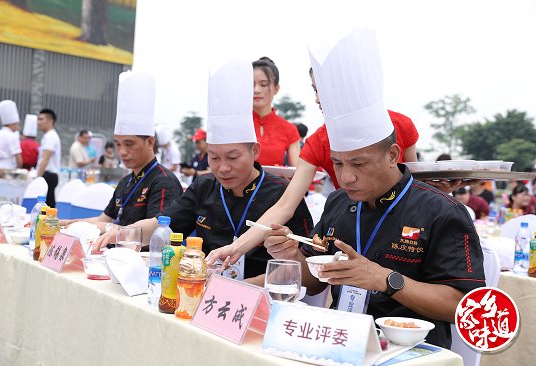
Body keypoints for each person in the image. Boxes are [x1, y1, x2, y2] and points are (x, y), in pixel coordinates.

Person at [263, 28, 485, 349]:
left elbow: (464, 307)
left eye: (359, 164)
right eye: (338, 164)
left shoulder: (442, 212)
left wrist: (384, 279)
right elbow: (313, 281)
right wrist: (291, 256)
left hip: (411, 351)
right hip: (339, 344)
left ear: (393, 155)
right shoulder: (338, 202)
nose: (346, 177)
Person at [94, 61, 313, 285]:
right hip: (203, 292)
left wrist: (229, 287)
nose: (223, 168)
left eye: (233, 157)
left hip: (258, 297)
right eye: (214, 157)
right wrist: (124, 233)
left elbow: (309, 278)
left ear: (255, 151)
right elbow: (163, 224)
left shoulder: (281, 194)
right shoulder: (205, 186)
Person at [206, 57, 419, 267]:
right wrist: (236, 248)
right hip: (353, 226)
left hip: (405, 228)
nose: (317, 99)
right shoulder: (319, 141)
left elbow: (415, 183)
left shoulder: (401, 125)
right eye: (315, 90)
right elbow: (285, 205)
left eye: (323, 90)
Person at [61, 71, 182, 233]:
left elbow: (157, 233)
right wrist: (69, 223)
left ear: (150, 142)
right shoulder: (126, 182)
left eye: (129, 144)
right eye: (118, 144)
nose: (122, 152)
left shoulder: (164, 182)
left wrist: (109, 228)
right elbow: (102, 220)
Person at [252, 57, 301, 166]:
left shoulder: (289, 129)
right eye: (251, 84)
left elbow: (298, 171)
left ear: (276, 88)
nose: (256, 90)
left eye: (263, 84)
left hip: (275, 182)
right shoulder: (236, 124)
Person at [0, 100, 22, 176]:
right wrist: (18, 169)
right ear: (12, 124)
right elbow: (18, 158)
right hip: (8, 170)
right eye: (17, 124)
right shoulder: (12, 136)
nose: (17, 127)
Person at [36, 108, 61, 208]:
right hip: (47, 174)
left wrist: (38, 177)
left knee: (47, 206)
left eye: (42, 119)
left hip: (48, 175)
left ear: (50, 121)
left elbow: (45, 159)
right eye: (38, 119)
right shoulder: (48, 136)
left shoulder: (51, 136)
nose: (39, 122)